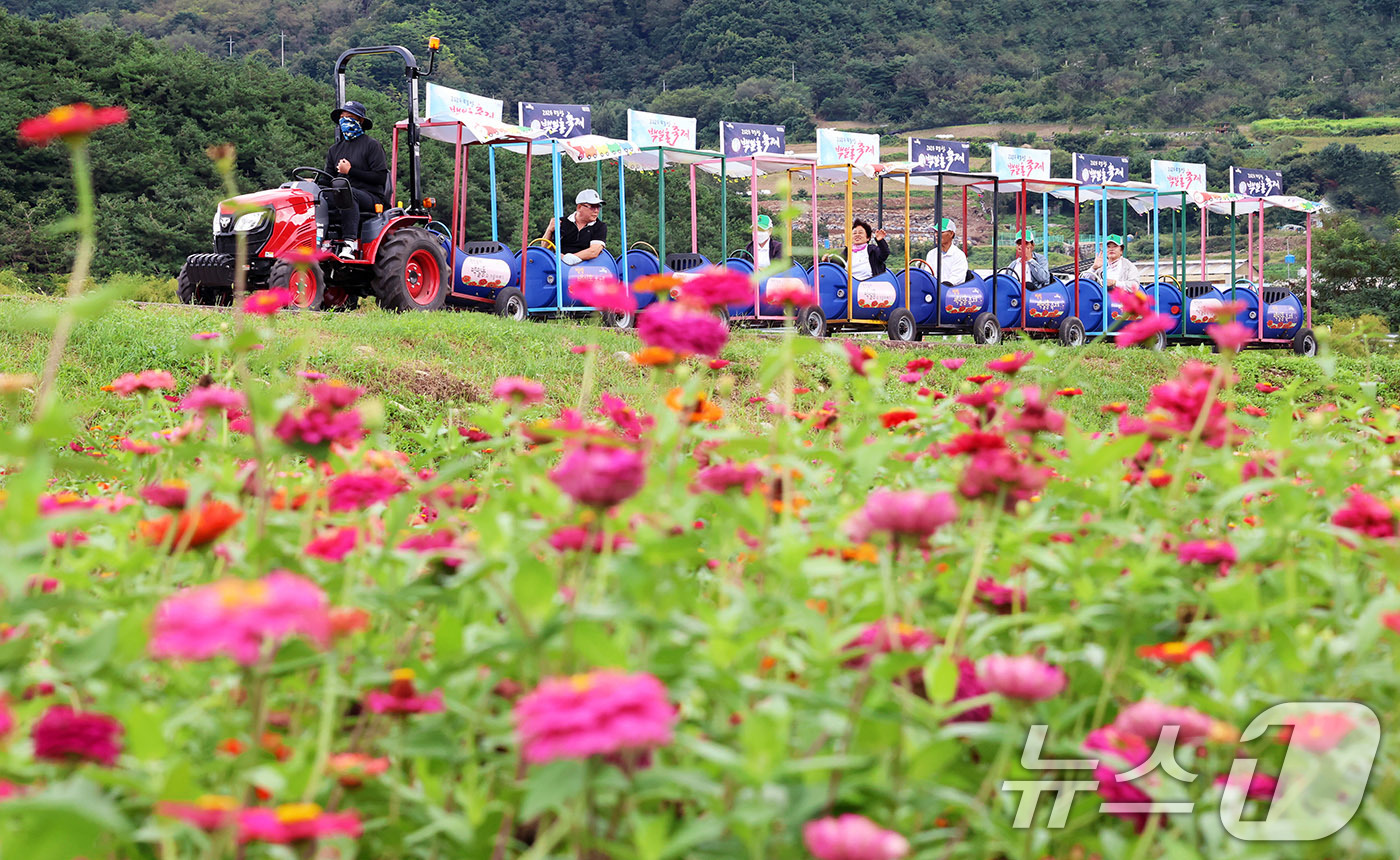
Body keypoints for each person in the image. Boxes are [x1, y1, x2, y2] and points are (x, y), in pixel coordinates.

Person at [323, 101, 388, 259]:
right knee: (317, 197)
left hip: (370, 196)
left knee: (347, 194)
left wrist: (351, 171)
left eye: (350, 117)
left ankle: (349, 244)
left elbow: (380, 177)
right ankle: (320, 241)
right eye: (342, 117)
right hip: (340, 194)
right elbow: (326, 179)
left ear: (361, 121)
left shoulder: (372, 146)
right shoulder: (335, 149)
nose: (345, 120)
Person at [538, 190, 608, 265]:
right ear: (579, 207)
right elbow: (545, 248)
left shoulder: (600, 226)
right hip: (558, 266)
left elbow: (594, 251)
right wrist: (549, 230)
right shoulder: (561, 223)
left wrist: (568, 258)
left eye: (598, 207)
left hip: (586, 269)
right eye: (592, 207)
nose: (596, 211)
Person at [925, 217, 968, 284]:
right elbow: (928, 275)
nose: (936, 234)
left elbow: (957, 279)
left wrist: (944, 286)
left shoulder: (959, 255)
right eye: (936, 232)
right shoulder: (931, 254)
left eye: (941, 232)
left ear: (951, 234)